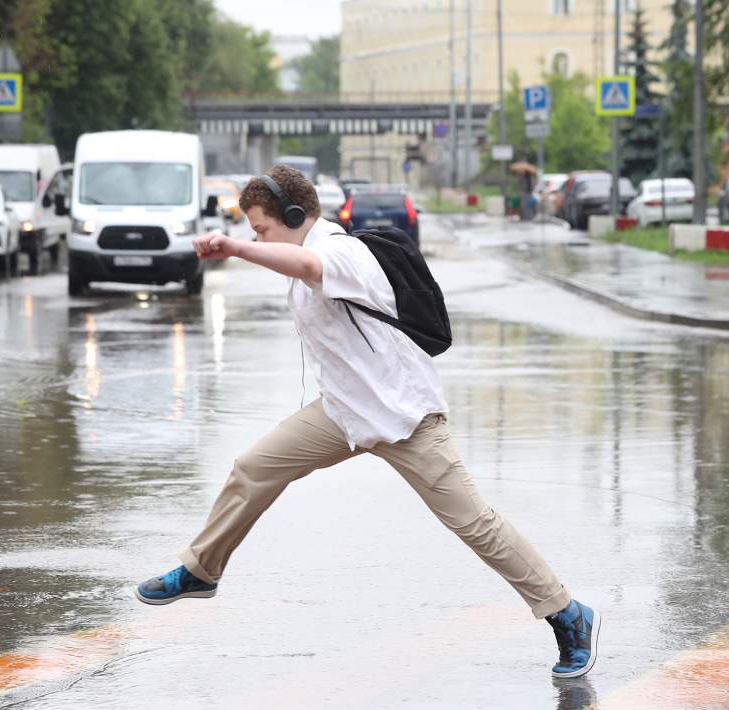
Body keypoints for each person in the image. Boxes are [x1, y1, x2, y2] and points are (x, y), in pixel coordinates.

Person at [135, 165, 601, 679]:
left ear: (294, 217)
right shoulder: (317, 251)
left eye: (261, 228)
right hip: (343, 412)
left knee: (475, 525)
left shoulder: (342, 252)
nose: (256, 237)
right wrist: (251, 246)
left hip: (404, 416)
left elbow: (307, 265)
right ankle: (202, 571)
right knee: (254, 468)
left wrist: (237, 250)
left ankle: (567, 613)